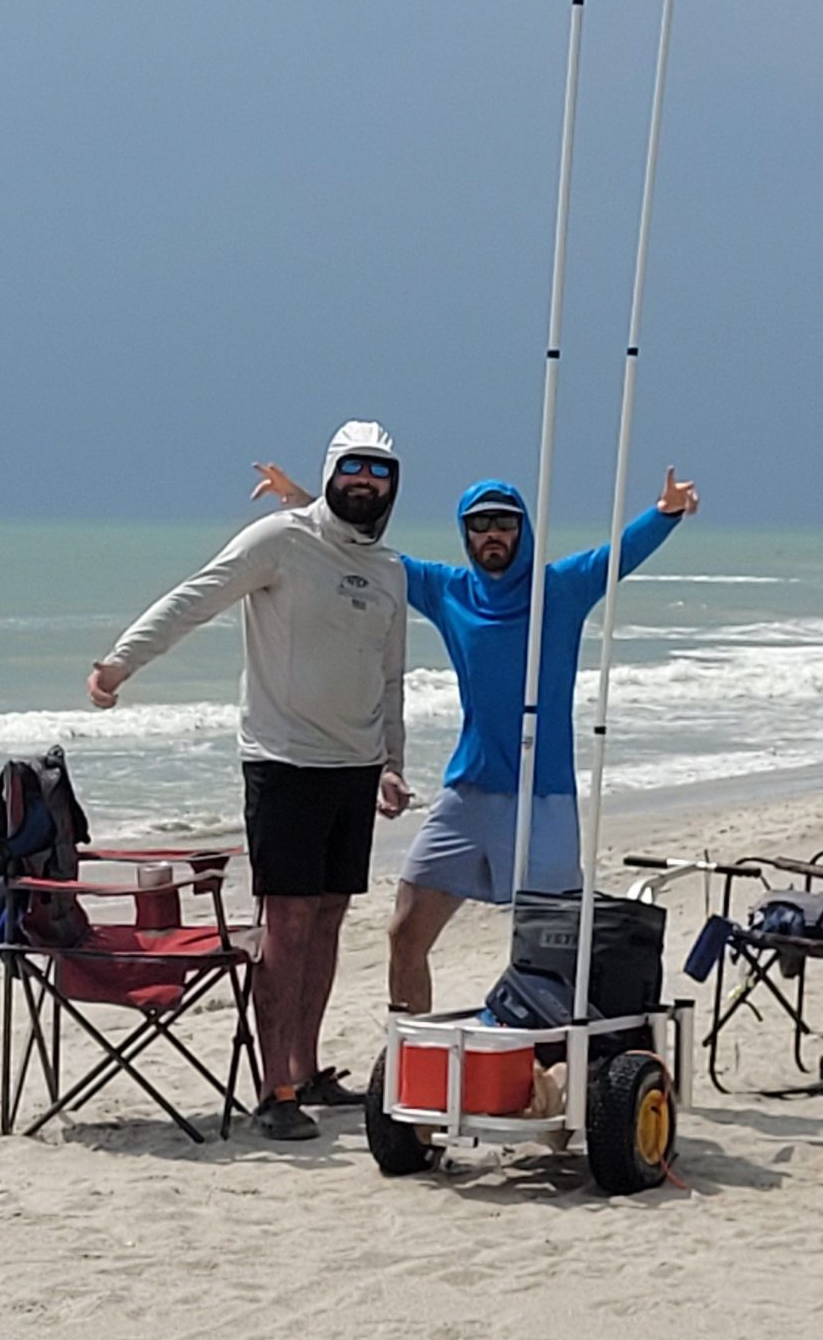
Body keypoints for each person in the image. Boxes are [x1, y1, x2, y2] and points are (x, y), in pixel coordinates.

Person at [250, 458, 698, 1011]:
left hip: (543, 799)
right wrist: (303, 501)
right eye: (480, 524)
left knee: (553, 950)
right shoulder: (449, 591)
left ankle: (549, 1048)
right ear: (465, 534)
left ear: (522, 529)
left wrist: (665, 512)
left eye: (504, 523)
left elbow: (619, 555)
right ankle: (409, 1051)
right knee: (404, 933)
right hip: (467, 797)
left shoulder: (560, 588)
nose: (493, 534)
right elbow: (366, 553)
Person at [87, 423, 411, 1141]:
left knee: (328, 917)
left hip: (355, 767)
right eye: (352, 468)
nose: (365, 481)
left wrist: (392, 762)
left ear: (393, 484)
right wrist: (119, 664)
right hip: (284, 761)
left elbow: (389, 674)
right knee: (287, 923)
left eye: (379, 471)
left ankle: (308, 1067)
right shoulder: (280, 540)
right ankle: (274, 1089)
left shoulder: (389, 569)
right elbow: (195, 598)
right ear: (332, 472)